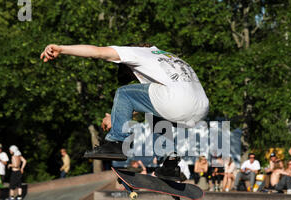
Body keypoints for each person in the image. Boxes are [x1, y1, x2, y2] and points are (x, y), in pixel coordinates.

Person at [40, 43, 209, 179]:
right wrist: (116, 117)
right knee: (156, 113)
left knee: (123, 92)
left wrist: (62, 49)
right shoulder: (166, 56)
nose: (135, 79)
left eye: (131, 77)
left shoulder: (134, 52)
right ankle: (170, 164)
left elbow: (97, 52)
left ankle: (117, 144)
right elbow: (149, 104)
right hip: (200, 108)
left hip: (175, 102)